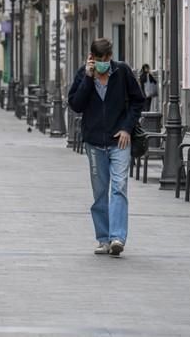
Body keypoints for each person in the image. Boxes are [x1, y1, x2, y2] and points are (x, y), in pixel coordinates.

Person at [67, 38, 144, 257]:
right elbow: (76, 104)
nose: (103, 63)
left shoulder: (122, 72)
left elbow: (138, 100)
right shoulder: (84, 74)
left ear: (110, 57)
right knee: (100, 192)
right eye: (98, 60)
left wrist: (127, 128)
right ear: (91, 57)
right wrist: (89, 79)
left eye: (105, 59)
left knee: (119, 187)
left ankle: (117, 237)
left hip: (119, 141)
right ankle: (103, 239)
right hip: (94, 143)